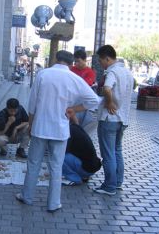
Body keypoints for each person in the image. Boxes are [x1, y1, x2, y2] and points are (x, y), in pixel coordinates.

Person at [15, 50, 99, 213]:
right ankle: (53, 203)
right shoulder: (75, 79)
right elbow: (94, 101)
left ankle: (27, 196)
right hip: (60, 130)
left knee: (34, 163)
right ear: (71, 62)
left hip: (40, 127)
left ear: (55, 58)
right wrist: (73, 109)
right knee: (56, 166)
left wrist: (31, 125)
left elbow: (32, 104)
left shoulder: (43, 74)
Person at [94, 44, 134, 195]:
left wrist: (109, 102)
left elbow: (107, 88)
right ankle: (117, 182)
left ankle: (109, 186)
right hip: (122, 119)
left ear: (107, 58)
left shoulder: (112, 72)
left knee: (108, 153)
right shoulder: (127, 73)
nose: (100, 63)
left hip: (109, 119)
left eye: (101, 60)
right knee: (117, 151)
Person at [62, 110, 102, 186]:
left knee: (59, 156)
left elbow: (63, 151)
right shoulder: (76, 128)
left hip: (86, 168)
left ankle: (74, 178)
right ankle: (83, 176)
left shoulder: (69, 131)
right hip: (92, 166)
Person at [70, 49, 97, 129]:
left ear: (85, 60)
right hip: (71, 100)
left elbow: (85, 86)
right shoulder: (71, 69)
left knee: (79, 124)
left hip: (81, 103)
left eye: (78, 61)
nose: (76, 63)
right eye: (75, 61)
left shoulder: (90, 72)